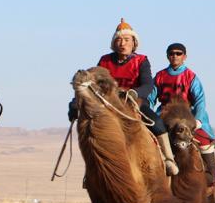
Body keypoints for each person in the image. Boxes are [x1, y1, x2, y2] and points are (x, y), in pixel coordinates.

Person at [68, 18, 179, 175]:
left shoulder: (141, 61)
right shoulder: (105, 61)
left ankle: (168, 159)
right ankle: (92, 171)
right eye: (119, 40)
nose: (122, 43)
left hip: (135, 102)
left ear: (133, 42)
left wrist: (134, 93)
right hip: (110, 104)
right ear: (114, 44)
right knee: (91, 129)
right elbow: (90, 83)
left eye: (127, 39)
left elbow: (148, 85)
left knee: (157, 123)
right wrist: (75, 103)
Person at [148, 43, 215, 185]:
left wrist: (198, 120)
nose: (175, 56)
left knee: (204, 141)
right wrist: (148, 115)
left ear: (184, 56)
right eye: (172, 53)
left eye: (178, 53)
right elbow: (150, 98)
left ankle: (211, 174)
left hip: (189, 115)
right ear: (167, 56)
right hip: (165, 115)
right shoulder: (160, 76)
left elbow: (200, 101)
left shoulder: (191, 76)